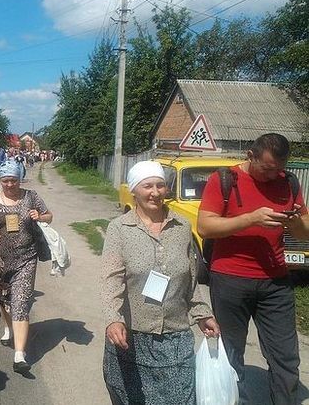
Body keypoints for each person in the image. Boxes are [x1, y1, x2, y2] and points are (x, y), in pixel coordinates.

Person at [197, 133, 309, 404]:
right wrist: (251, 219)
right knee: (231, 352)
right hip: (230, 279)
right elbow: (205, 226)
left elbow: (305, 232)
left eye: (278, 169)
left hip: (276, 282)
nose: (272, 175)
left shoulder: (288, 182)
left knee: (285, 355)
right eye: (267, 169)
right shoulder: (224, 179)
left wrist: (294, 222)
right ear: (250, 156)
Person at [101, 160, 219, 405]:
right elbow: (111, 278)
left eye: (160, 185)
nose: (155, 192)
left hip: (176, 338)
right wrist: (113, 318)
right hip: (132, 339)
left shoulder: (182, 226)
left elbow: (190, 278)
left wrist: (202, 313)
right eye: (147, 186)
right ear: (134, 190)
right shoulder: (119, 228)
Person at [0, 161, 52, 374]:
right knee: (4, 298)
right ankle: (8, 327)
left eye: (14, 180)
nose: (9, 184)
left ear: (20, 179)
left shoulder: (31, 197)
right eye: (6, 180)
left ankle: (19, 355)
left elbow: (49, 215)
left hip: (27, 258)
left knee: (20, 302)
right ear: (0, 179)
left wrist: (40, 216)